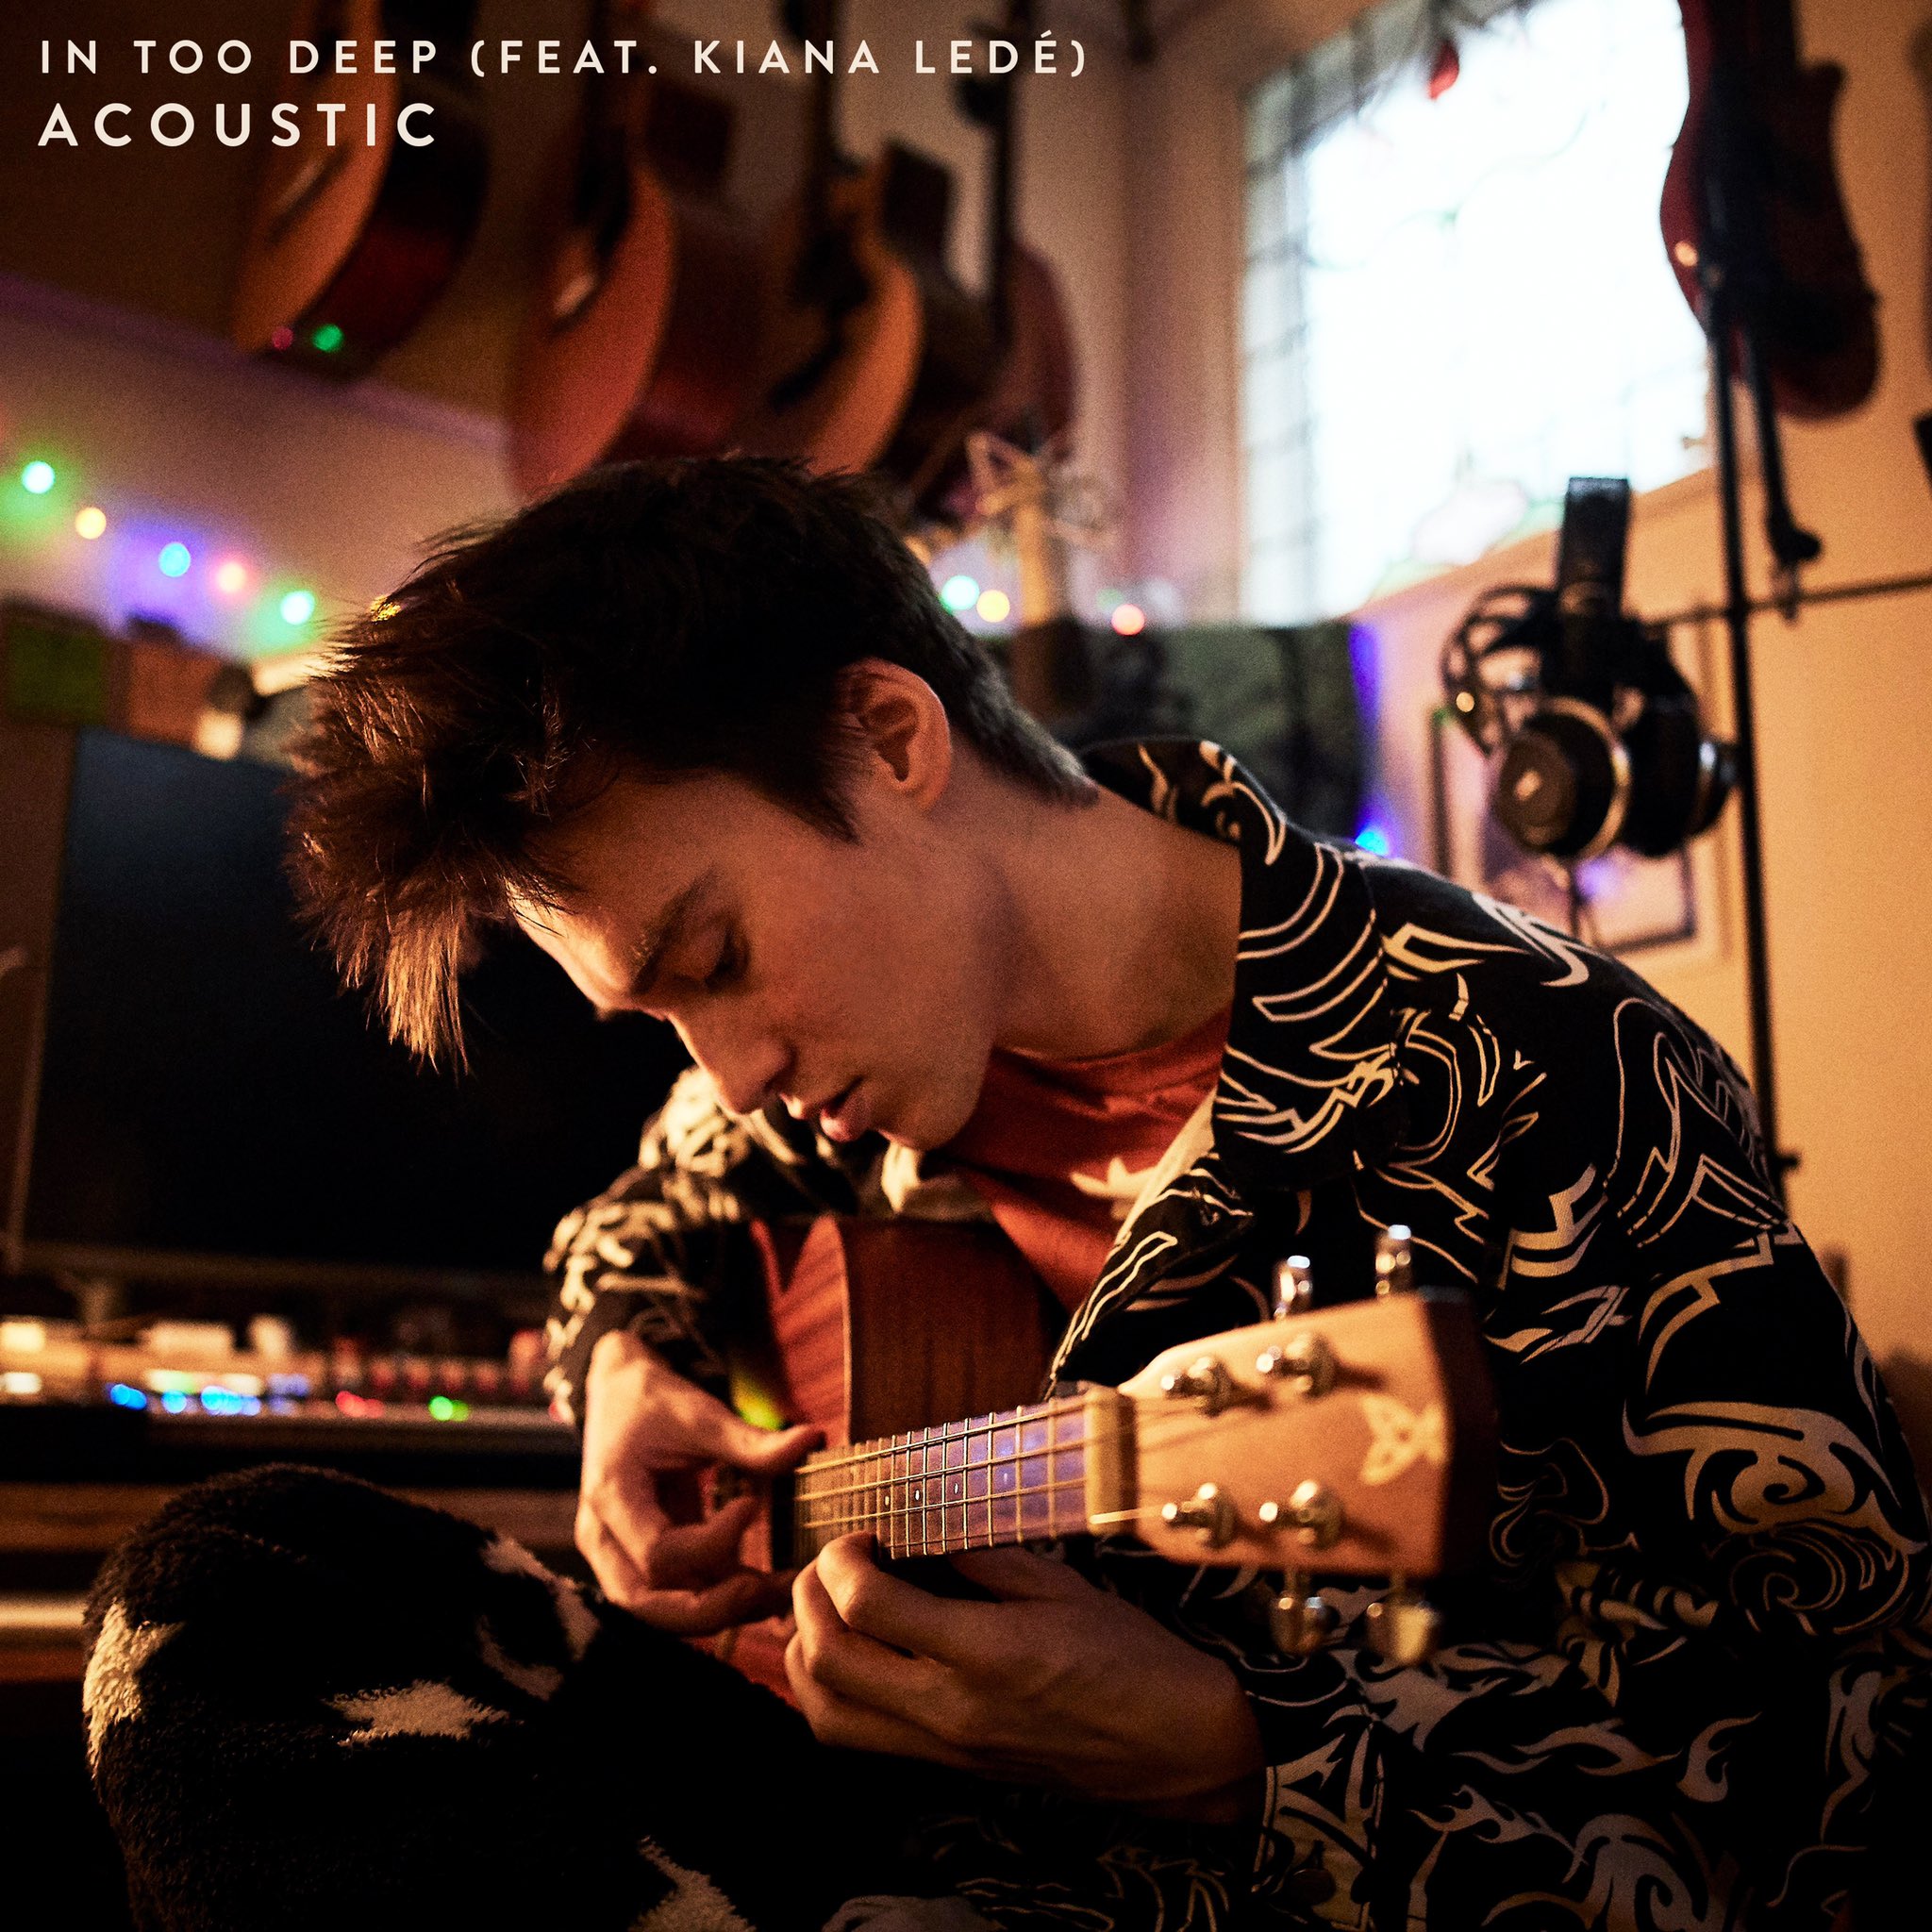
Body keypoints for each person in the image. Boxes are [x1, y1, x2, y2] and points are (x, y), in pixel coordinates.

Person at [135, 456, 1926, 1928]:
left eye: (717, 956)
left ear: (890, 736)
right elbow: (634, 1223)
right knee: (212, 1595)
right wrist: (619, 1373)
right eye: (661, 1013)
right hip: (841, 1825)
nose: (727, 1074)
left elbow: (1847, 1761)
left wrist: (1248, 1755)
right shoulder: (845, 1085)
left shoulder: (1545, 1068)